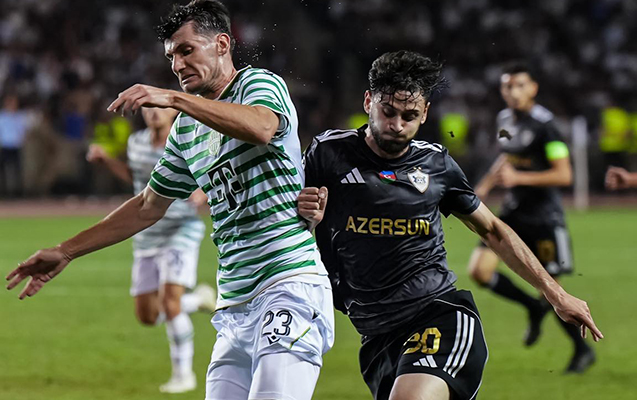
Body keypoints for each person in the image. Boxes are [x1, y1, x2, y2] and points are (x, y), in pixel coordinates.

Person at [6, 1, 334, 400]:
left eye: (186, 50)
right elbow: (148, 205)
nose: (177, 65)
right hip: (233, 306)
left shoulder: (257, 84)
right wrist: (66, 251)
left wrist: (175, 100)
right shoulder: (186, 131)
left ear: (222, 44)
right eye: (171, 56)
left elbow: (262, 127)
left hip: (288, 285)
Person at [299, 51, 602, 400]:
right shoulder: (327, 154)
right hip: (375, 335)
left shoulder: (435, 164)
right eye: (388, 112)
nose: (397, 125)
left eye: (410, 116)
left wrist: (556, 294)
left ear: (425, 113)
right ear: (368, 102)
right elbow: (284, 221)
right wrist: (305, 216)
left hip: (437, 315)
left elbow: (492, 230)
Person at [466, 62, 597, 374]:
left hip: (544, 218)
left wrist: (519, 179)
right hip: (513, 213)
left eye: (520, 85)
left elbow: (564, 174)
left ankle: (582, 349)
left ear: (534, 88)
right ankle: (532, 308)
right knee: (479, 271)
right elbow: (507, 155)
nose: (513, 91)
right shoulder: (504, 119)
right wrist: (484, 185)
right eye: (507, 86)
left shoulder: (546, 125)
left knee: (551, 289)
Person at [86, 106, 214, 393]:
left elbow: (210, 172)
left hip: (181, 229)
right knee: (147, 315)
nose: (154, 113)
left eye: (160, 108)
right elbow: (135, 177)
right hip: (146, 233)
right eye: (148, 108)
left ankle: (183, 375)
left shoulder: (187, 140)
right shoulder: (136, 143)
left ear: (173, 113)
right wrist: (107, 160)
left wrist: (202, 193)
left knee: (169, 303)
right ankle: (198, 300)